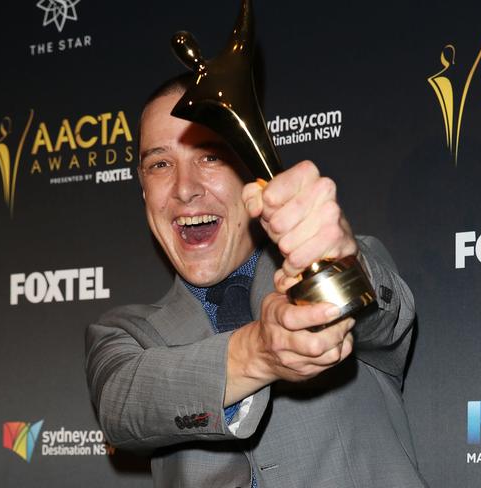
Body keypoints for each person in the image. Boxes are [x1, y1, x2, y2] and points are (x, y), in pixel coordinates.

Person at [85, 74, 428, 488]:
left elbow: (382, 316)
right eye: (160, 164)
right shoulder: (125, 333)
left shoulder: (329, 264)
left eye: (209, 156)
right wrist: (260, 351)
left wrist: (337, 262)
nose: (185, 188)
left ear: (248, 173)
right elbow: (124, 406)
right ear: (143, 191)